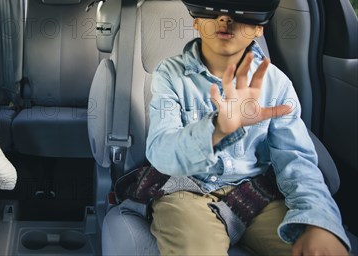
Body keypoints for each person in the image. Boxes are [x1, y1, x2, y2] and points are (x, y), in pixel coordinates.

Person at [145, 13, 350, 255]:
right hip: (185, 189)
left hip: (257, 193)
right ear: (197, 21)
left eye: (240, 12)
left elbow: (297, 161)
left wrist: (319, 220)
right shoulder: (169, 74)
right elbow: (161, 153)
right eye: (212, 10)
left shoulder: (277, 83)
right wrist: (217, 129)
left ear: (259, 28)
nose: (225, 18)